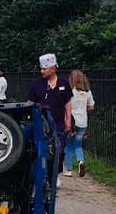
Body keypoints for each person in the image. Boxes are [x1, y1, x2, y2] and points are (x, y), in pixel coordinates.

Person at [26, 53, 72, 186]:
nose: (42, 71)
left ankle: (55, 174)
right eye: (41, 69)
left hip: (58, 123)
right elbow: (30, 102)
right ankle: (40, 176)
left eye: (44, 69)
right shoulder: (36, 84)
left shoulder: (63, 83)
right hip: (41, 124)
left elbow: (67, 103)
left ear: (52, 68)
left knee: (59, 150)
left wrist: (68, 120)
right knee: (41, 150)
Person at [63, 69, 95, 178]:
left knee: (68, 146)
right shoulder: (87, 92)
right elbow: (91, 107)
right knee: (78, 145)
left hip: (71, 121)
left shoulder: (69, 91)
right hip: (83, 122)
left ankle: (68, 169)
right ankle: (81, 161)